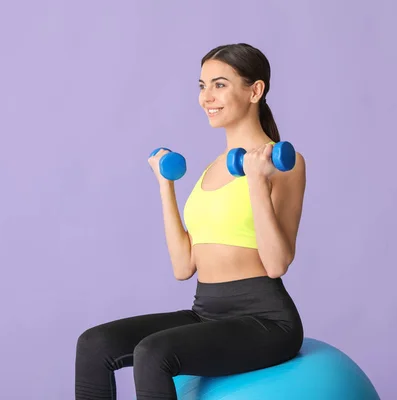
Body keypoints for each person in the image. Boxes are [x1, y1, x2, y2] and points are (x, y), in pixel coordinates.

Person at [75, 43, 307, 400]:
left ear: (254, 91)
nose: (206, 97)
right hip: (206, 311)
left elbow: (277, 264)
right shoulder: (210, 170)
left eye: (219, 84)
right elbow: (184, 267)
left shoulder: (283, 164)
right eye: (201, 86)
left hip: (266, 320)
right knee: (94, 344)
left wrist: (257, 182)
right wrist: (165, 186)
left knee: (153, 353)